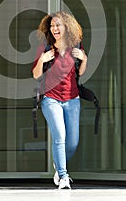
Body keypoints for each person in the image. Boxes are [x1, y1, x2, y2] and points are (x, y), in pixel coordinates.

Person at [32, 11, 87, 189]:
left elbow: (80, 72)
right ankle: (63, 177)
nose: (55, 28)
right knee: (60, 137)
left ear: (67, 27)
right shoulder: (46, 49)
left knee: (73, 142)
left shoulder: (76, 47)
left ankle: (59, 163)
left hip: (72, 99)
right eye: (52, 26)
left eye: (58, 25)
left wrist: (84, 59)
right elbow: (36, 75)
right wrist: (41, 60)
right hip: (51, 98)